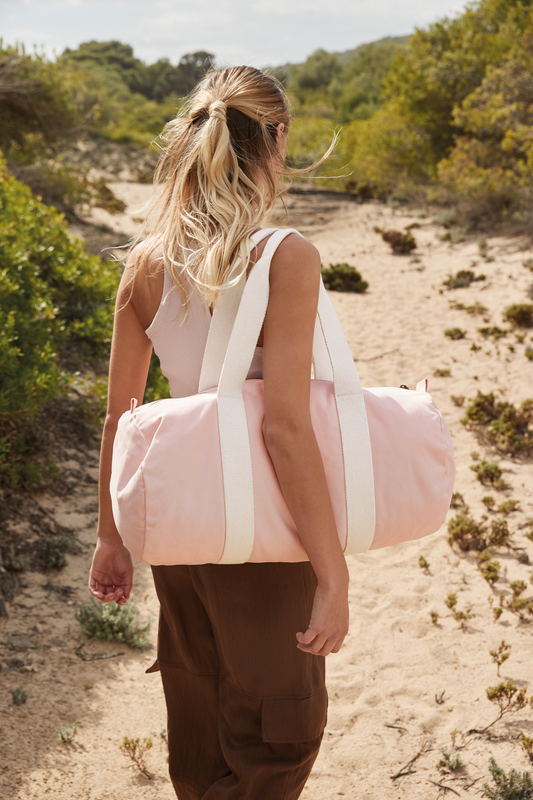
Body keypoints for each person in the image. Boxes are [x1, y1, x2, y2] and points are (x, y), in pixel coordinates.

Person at [88, 65, 349, 799]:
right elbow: (285, 429)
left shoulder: (146, 262)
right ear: (277, 138)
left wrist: (110, 535)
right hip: (265, 531)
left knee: (199, 722)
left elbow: (120, 416)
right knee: (278, 739)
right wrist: (333, 574)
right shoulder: (285, 257)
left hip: (180, 523)